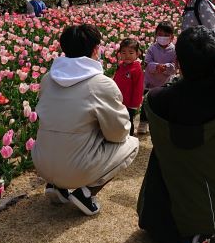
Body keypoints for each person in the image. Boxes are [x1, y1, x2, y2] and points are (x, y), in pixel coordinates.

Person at [137, 26, 215, 243]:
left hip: (176, 221)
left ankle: (198, 236)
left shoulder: (156, 101)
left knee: (160, 154)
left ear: (178, 63)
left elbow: (172, 100)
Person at [31, 24, 139, 216]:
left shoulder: (47, 79)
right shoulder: (101, 84)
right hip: (78, 170)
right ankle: (86, 193)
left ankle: (57, 187)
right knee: (132, 143)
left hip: (41, 164)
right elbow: (118, 133)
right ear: (96, 49)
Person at [138, 21, 177, 135]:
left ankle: (160, 122)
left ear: (172, 37)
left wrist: (166, 67)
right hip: (150, 81)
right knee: (147, 102)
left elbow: (174, 67)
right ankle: (143, 122)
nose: (163, 37)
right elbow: (147, 63)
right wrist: (156, 66)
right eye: (160, 34)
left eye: (166, 35)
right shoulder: (152, 48)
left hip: (165, 82)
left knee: (163, 103)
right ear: (156, 35)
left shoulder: (174, 50)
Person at [113, 38, 144, 136]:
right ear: (119, 54)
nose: (127, 56)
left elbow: (138, 88)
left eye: (131, 53)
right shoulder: (121, 65)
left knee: (128, 121)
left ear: (137, 54)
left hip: (129, 103)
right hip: (119, 100)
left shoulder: (136, 69)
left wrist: (135, 103)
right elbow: (116, 80)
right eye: (124, 53)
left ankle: (129, 137)